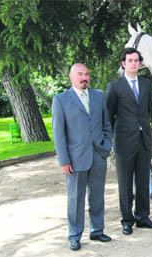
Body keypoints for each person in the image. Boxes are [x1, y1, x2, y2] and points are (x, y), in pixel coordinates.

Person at [52, 63, 112, 251]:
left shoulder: (98, 96)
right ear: (71, 77)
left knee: (97, 196)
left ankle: (97, 230)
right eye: (79, 74)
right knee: (75, 198)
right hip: (75, 158)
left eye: (86, 74)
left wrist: (105, 146)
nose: (84, 77)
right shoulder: (61, 100)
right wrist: (64, 160)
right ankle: (74, 235)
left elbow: (106, 124)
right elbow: (58, 133)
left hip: (97, 155)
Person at [106, 48, 152, 236]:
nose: (134, 63)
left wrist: (146, 133)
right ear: (123, 63)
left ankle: (143, 217)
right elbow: (109, 115)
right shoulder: (115, 87)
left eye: (137, 60)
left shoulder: (146, 84)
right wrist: (117, 134)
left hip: (143, 139)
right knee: (125, 184)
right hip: (124, 141)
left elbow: (146, 111)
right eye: (130, 60)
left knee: (143, 181)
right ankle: (127, 220)